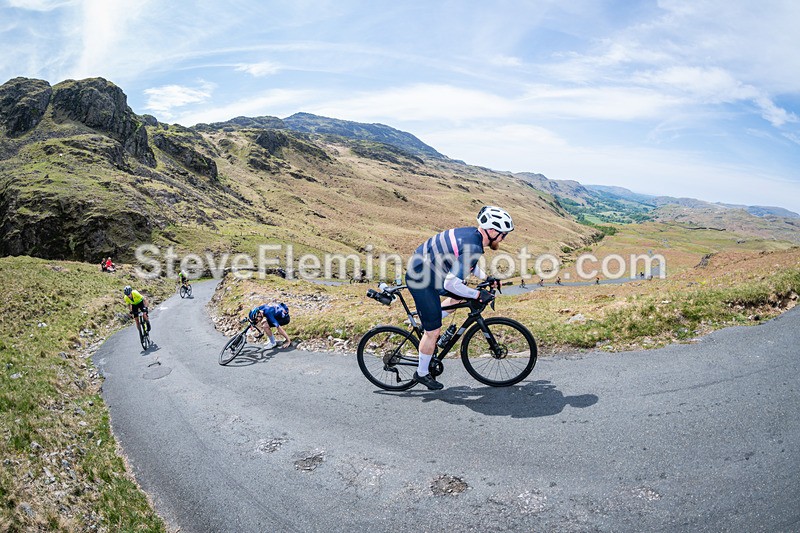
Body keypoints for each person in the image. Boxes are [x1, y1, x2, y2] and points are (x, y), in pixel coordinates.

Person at [405, 205, 512, 390]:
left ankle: (425, 323)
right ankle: (421, 373)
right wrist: (478, 294)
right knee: (434, 332)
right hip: (422, 279)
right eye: (503, 234)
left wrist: (487, 278)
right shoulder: (474, 246)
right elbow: (451, 284)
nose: (503, 238)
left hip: (431, 271)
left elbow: (467, 265)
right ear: (492, 231)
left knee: (460, 298)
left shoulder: (473, 235)